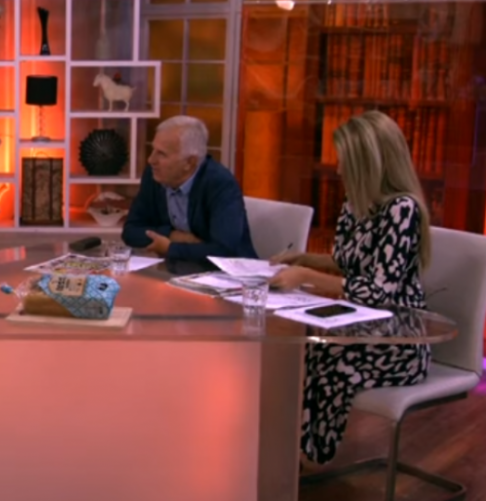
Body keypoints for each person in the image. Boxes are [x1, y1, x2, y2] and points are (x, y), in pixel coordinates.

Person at [269, 110, 432, 465]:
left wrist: (305, 277)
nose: (339, 169)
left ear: (368, 163)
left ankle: (307, 456)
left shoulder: (402, 210)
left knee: (331, 359)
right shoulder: (355, 203)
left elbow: (378, 291)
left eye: (345, 161)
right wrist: (304, 259)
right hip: (358, 325)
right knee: (308, 351)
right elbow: (349, 264)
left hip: (399, 340)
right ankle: (291, 449)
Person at [121, 115, 257, 264]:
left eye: (162, 154)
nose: (151, 160)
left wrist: (170, 248)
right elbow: (130, 232)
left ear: (189, 162)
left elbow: (223, 250)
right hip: (179, 269)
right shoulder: (155, 175)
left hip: (232, 273)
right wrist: (172, 235)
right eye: (153, 150)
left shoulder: (220, 184)